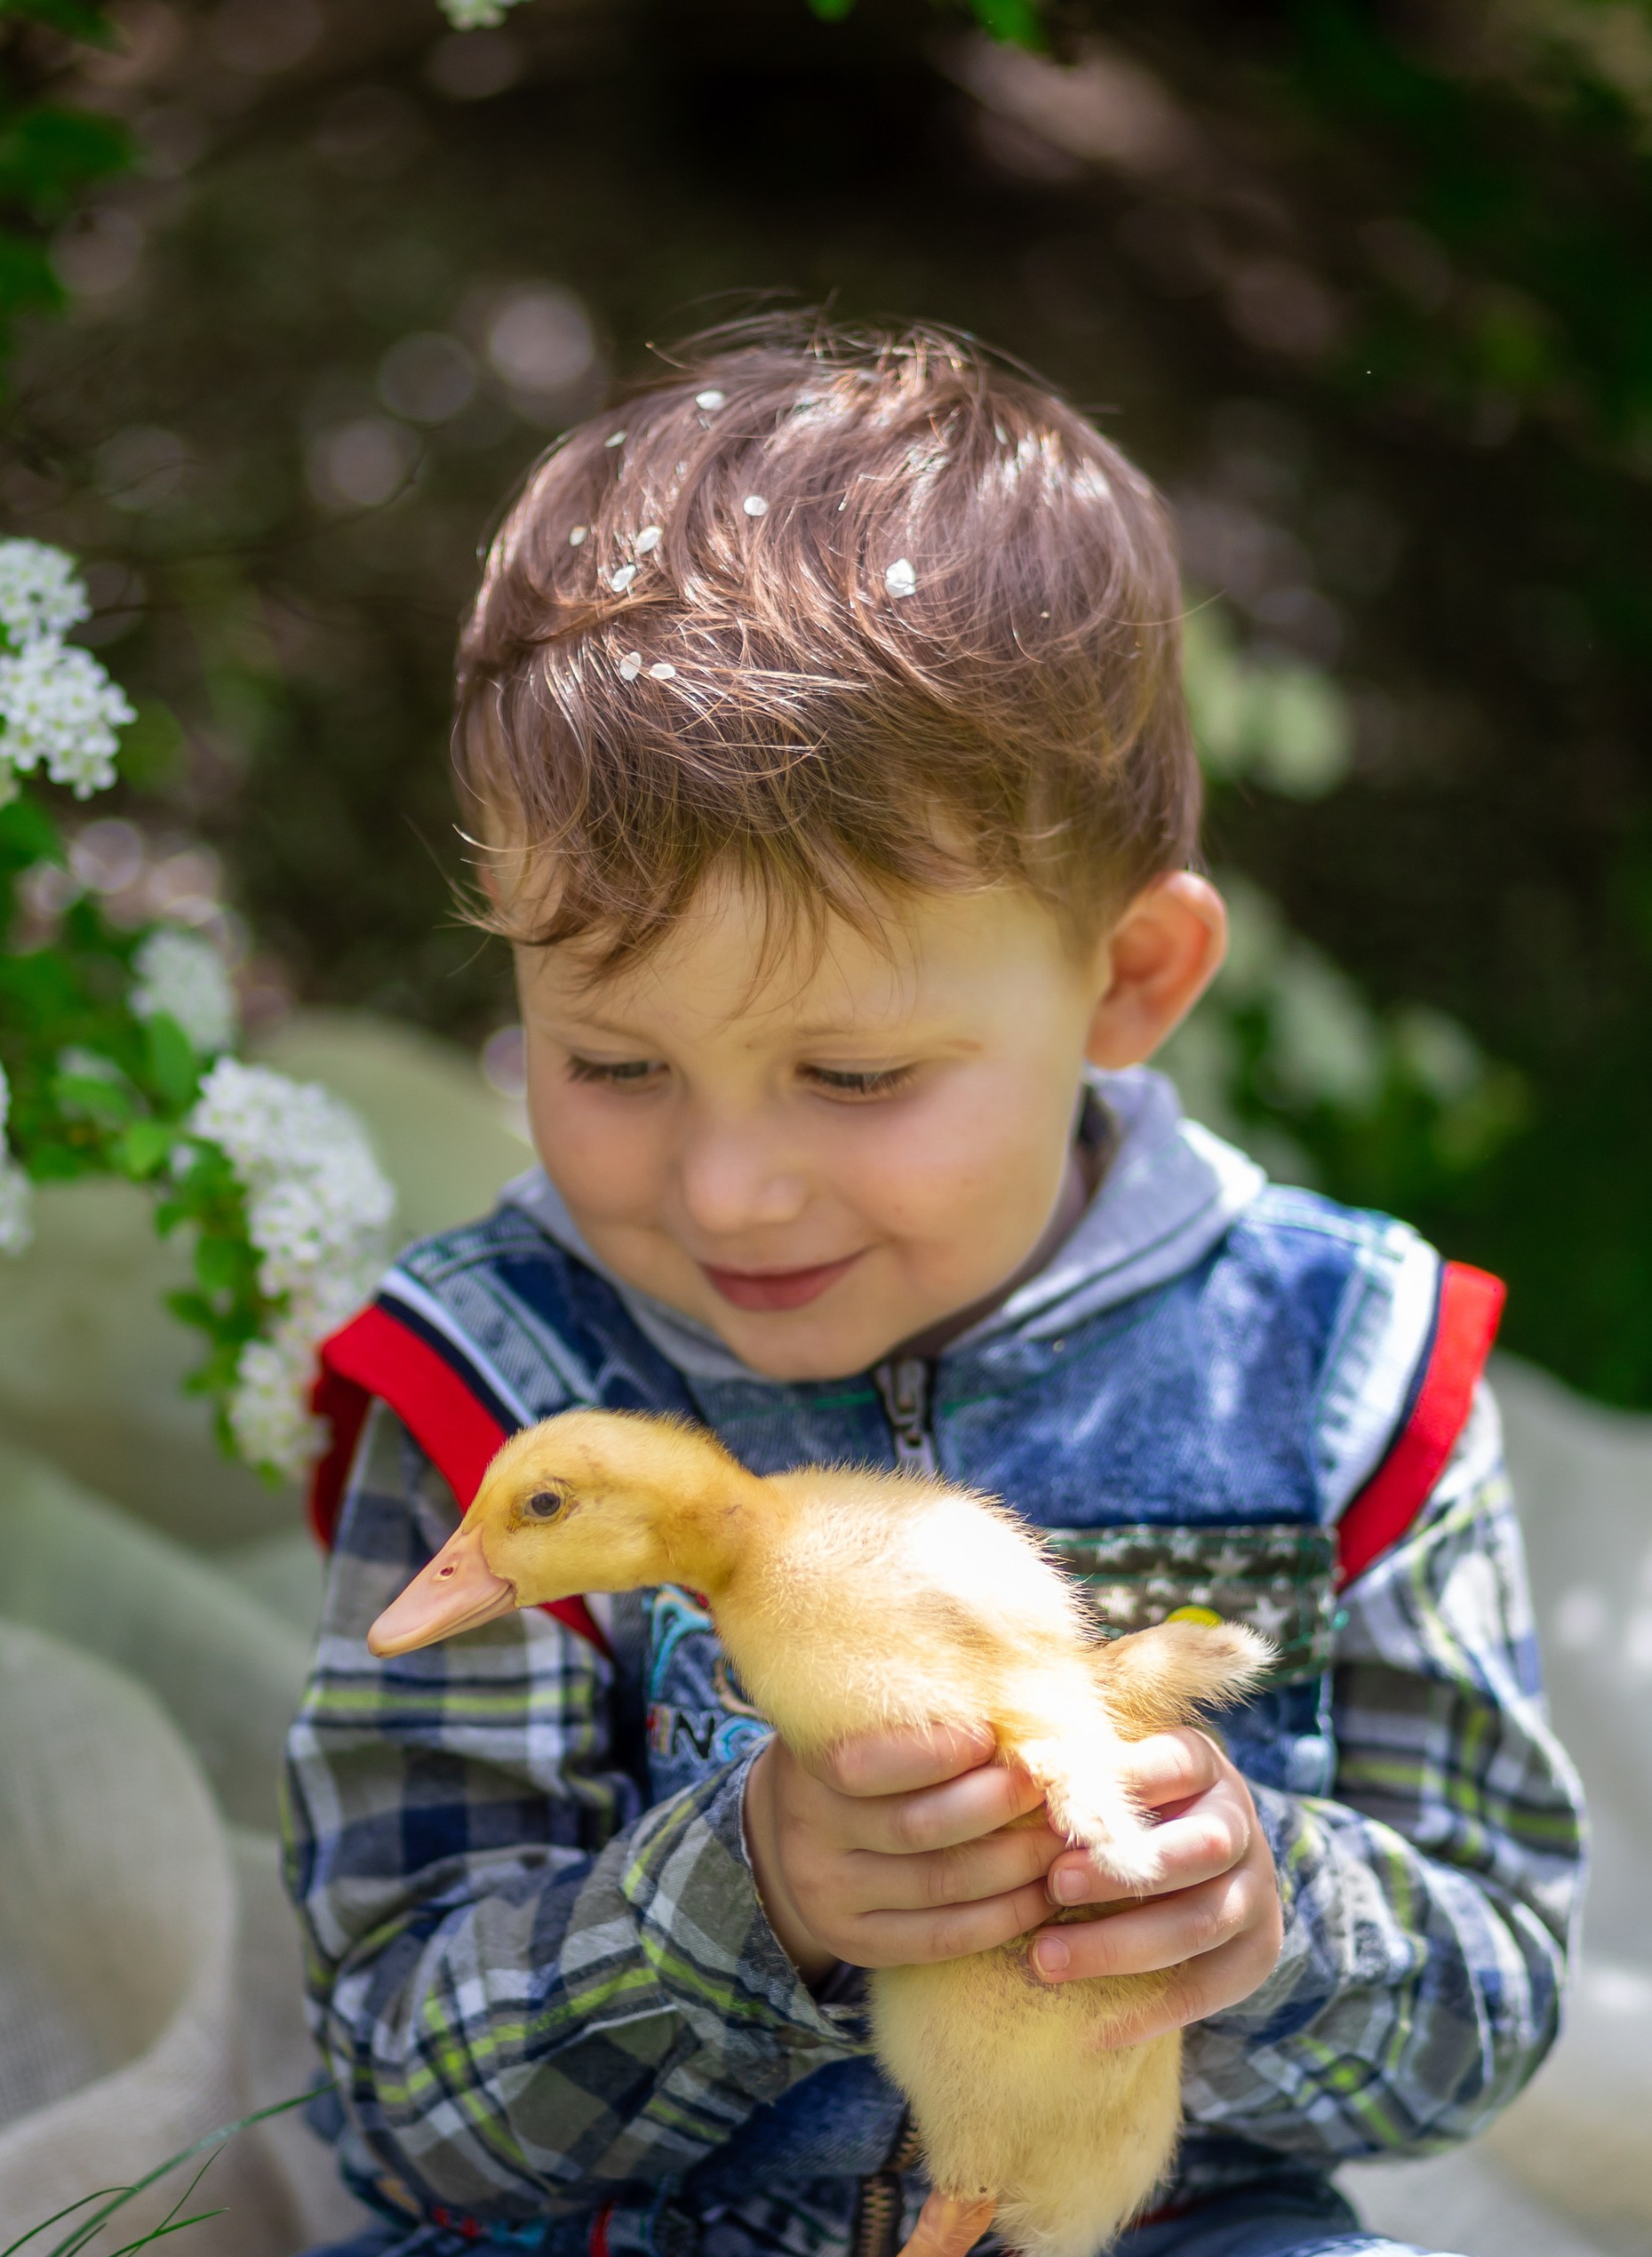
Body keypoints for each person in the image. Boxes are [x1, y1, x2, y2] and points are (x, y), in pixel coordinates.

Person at [282, 322, 1584, 2257]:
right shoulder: (502, 1389)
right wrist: (750, 1895)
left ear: (1128, 978)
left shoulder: (1339, 1367)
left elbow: (1484, 2011)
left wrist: (1256, 1919)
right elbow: (399, 2101)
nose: (724, 1182)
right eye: (614, 1064)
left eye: (856, 1073)